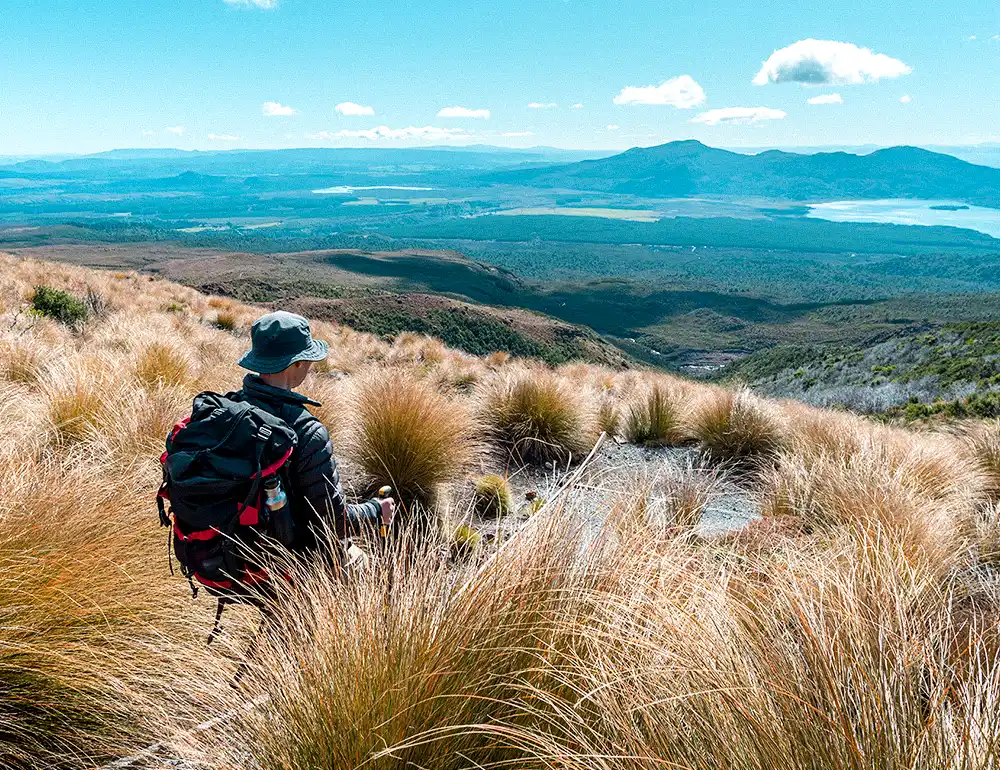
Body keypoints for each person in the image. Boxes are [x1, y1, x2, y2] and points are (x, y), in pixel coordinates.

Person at [230, 310, 394, 552]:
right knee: (361, 564)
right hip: (279, 564)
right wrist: (376, 510)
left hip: (223, 553)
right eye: (307, 359)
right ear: (296, 363)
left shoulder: (230, 408)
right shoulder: (308, 433)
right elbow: (333, 523)